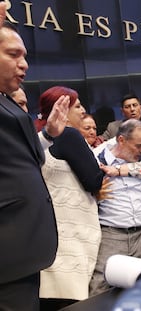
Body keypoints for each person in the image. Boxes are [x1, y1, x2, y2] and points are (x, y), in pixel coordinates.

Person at [0, 7, 70, 310]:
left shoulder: (7, 102)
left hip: (22, 251)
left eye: (25, 56)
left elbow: (19, 160)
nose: (24, 64)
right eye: (14, 55)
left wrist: (49, 135)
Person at [38, 86, 106, 309]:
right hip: (73, 236)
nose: (83, 111)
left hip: (48, 237)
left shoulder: (38, 138)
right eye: (77, 106)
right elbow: (94, 180)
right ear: (62, 109)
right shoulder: (69, 135)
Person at [89, 119, 141, 296]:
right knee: (97, 288)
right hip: (111, 234)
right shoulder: (96, 160)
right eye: (138, 146)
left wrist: (122, 170)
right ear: (122, 140)